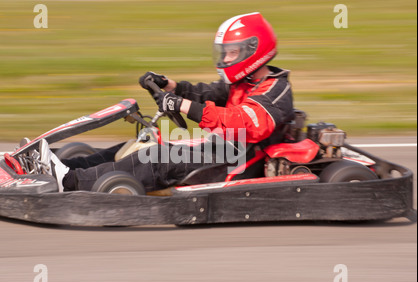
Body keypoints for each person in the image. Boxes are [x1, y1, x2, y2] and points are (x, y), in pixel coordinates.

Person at [42, 12, 296, 192]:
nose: (226, 59)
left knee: (160, 158)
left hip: (241, 162)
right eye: (225, 52)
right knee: (140, 144)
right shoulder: (243, 82)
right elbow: (205, 93)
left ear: (254, 50)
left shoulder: (276, 89)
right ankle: (63, 165)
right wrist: (170, 87)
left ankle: (70, 182)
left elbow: (243, 122)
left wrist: (181, 106)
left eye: (232, 53)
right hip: (221, 148)